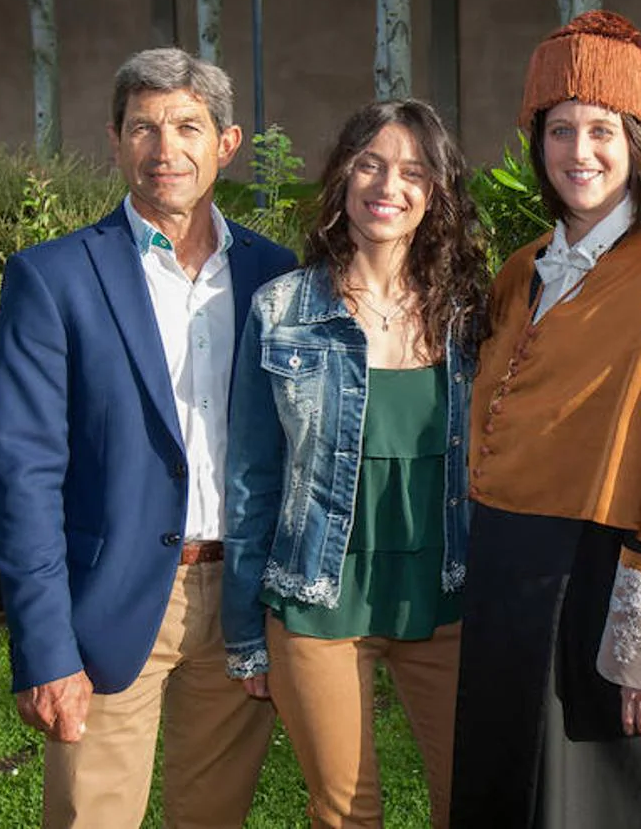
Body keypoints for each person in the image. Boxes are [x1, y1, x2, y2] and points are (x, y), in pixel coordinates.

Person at [0, 48, 295, 826]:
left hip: (241, 600)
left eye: (188, 126)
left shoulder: (276, 276)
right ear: (116, 140)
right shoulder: (52, 278)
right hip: (110, 604)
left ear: (226, 143)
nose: (166, 150)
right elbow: (24, 475)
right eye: (144, 128)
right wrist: (46, 649)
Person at [449, 10, 641, 828]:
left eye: (603, 131)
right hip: (509, 579)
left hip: (605, 581)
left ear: (639, 143)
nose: (580, 152)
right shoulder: (522, 272)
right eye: (560, 130)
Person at [220, 99, 485, 829]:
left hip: (445, 599)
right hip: (317, 598)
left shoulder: (473, 313)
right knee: (345, 813)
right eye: (369, 164)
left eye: (411, 170)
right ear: (341, 178)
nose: (386, 186)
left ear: (435, 193)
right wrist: (245, 632)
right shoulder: (281, 311)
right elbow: (252, 477)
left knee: (472, 799)